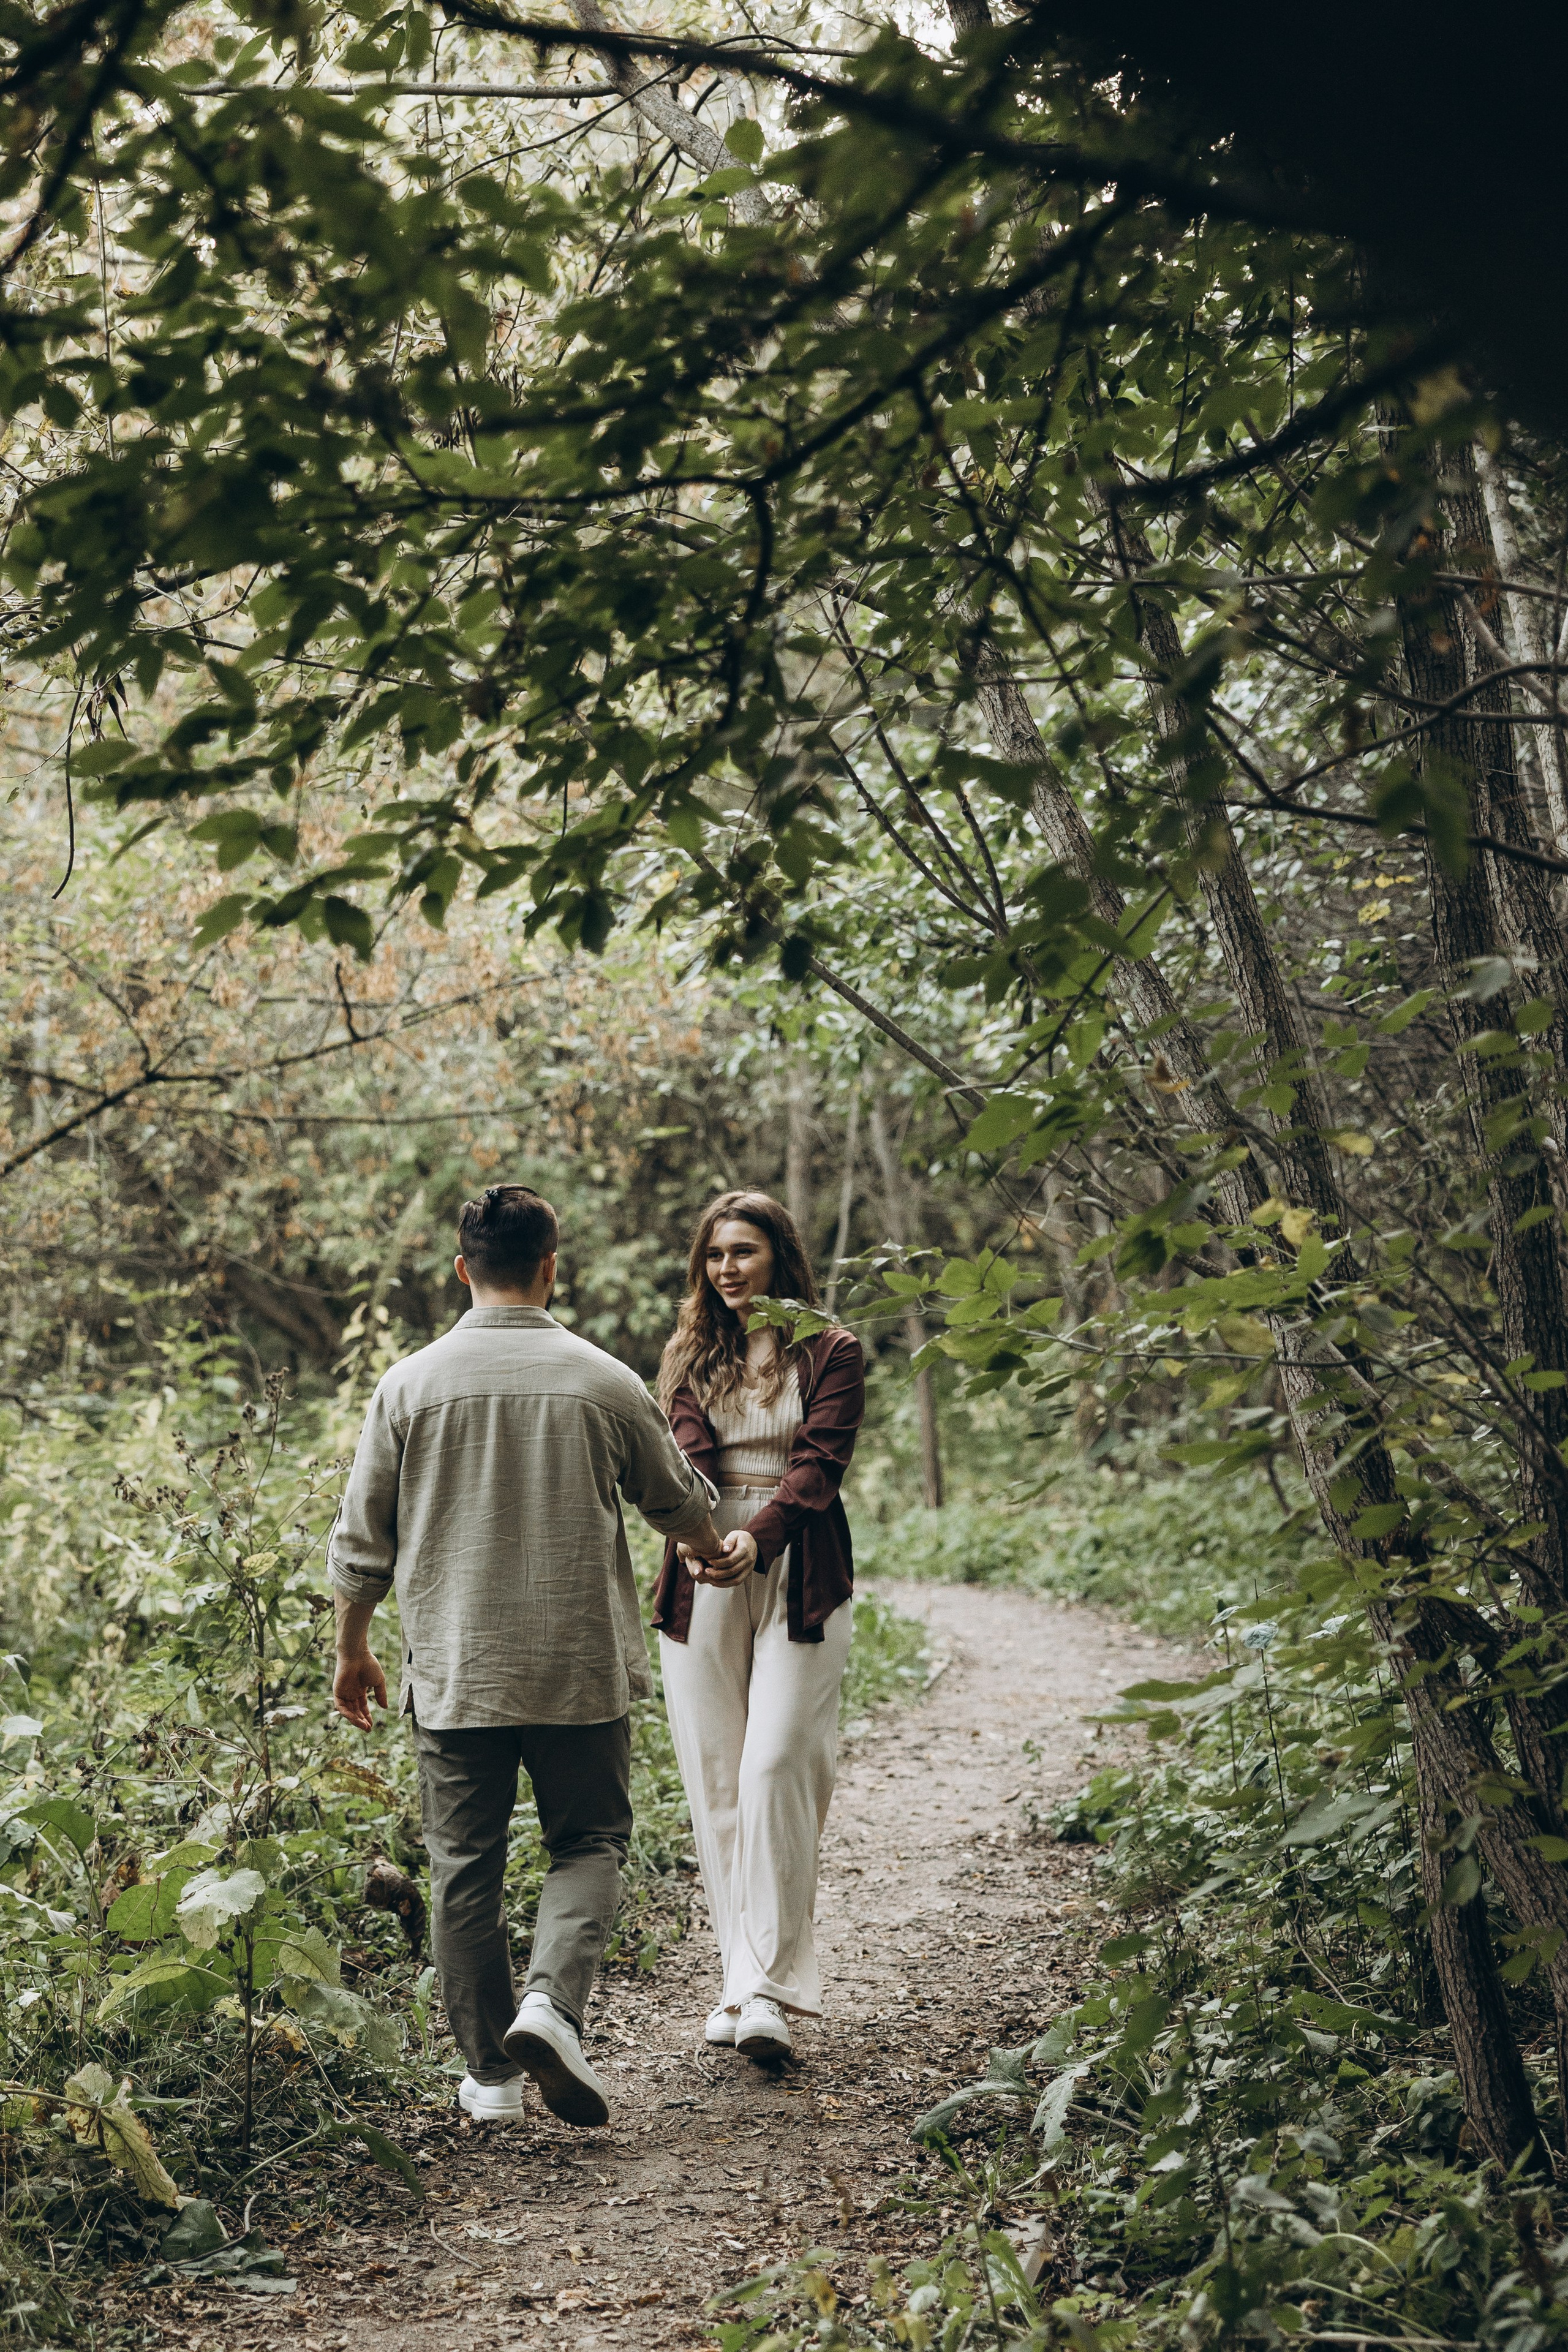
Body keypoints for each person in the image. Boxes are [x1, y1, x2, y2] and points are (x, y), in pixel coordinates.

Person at [328, 1184, 726, 2127]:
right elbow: (676, 1502)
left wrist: (352, 1647)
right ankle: (551, 2003)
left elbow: (361, 1539)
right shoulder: (602, 1379)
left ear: (463, 1269)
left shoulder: (409, 1384)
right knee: (587, 1842)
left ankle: (492, 2081)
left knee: (463, 1862)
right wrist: (714, 1551)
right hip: (578, 1666)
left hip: (457, 1666)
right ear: (553, 1266)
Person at [652, 1189, 865, 2060]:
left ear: (779, 1254)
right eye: (715, 1255)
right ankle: (743, 1983)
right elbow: (680, 1459)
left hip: (801, 1567)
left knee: (779, 1761)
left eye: (744, 1251)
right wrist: (708, 1540)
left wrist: (758, 1536)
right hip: (703, 1565)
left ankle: (770, 1987)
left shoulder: (832, 1349)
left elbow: (820, 1466)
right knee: (718, 1778)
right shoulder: (686, 1356)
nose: (728, 1269)